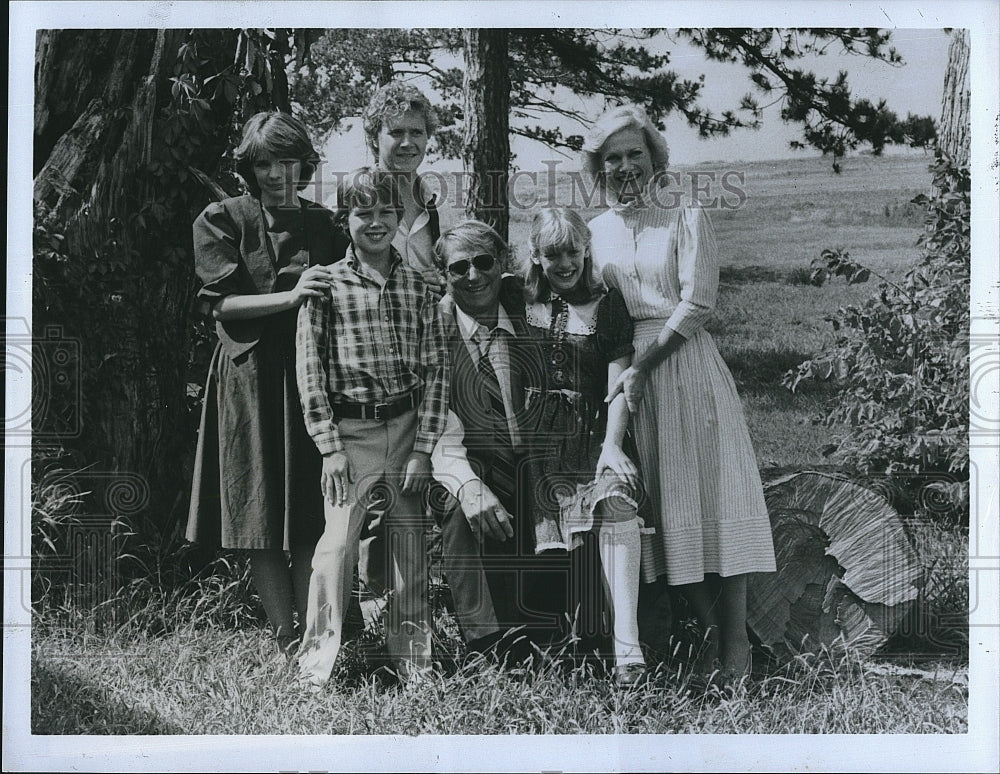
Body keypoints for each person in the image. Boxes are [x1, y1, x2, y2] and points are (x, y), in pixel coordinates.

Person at [581, 104, 776, 683]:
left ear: (654, 157)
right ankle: (710, 642)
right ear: (599, 166)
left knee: (716, 504)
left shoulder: (686, 214)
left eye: (634, 155)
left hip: (684, 366)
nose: (624, 167)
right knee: (670, 514)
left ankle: (737, 649)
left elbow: (698, 301)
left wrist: (648, 363)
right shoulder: (596, 232)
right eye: (612, 158)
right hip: (628, 378)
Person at [186, 111, 340, 657]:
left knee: (309, 511)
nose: (275, 174)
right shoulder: (222, 217)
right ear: (248, 166)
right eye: (263, 163)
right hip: (249, 377)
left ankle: (316, 638)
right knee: (256, 511)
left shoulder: (328, 224)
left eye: (286, 161)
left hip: (313, 381)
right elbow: (219, 304)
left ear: (304, 163)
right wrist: (292, 297)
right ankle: (285, 637)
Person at [295, 168, 449, 685]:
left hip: (407, 431)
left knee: (409, 546)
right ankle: (318, 664)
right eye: (364, 213)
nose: (377, 222)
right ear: (345, 220)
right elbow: (310, 369)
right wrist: (329, 447)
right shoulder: (325, 285)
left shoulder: (421, 288)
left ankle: (413, 660)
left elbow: (436, 372)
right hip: (351, 436)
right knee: (336, 547)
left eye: (387, 212)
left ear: (401, 217)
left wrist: (423, 449)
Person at [429, 220, 570, 663]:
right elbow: (434, 425)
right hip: (472, 461)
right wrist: (469, 485)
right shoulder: (434, 330)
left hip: (538, 460)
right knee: (456, 506)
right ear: (444, 277)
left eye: (484, 262)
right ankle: (486, 645)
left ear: (503, 266)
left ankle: (584, 630)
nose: (474, 276)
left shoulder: (533, 313)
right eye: (459, 267)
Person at [518, 207, 647, 683]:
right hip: (534, 441)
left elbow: (617, 386)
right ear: (536, 254)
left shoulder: (606, 303)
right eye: (553, 254)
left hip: (590, 432)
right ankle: (562, 646)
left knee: (616, 502)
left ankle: (628, 649)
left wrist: (613, 445)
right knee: (546, 536)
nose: (565, 263)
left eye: (573, 251)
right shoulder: (520, 297)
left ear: (586, 249)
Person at [355, 81, 446, 615]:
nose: (408, 142)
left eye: (417, 132)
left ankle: (409, 613)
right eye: (396, 132)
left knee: (412, 490)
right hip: (373, 362)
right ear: (375, 138)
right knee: (373, 501)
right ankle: (370, 612)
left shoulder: (432, 204)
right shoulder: (363, 199)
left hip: (425, 358)